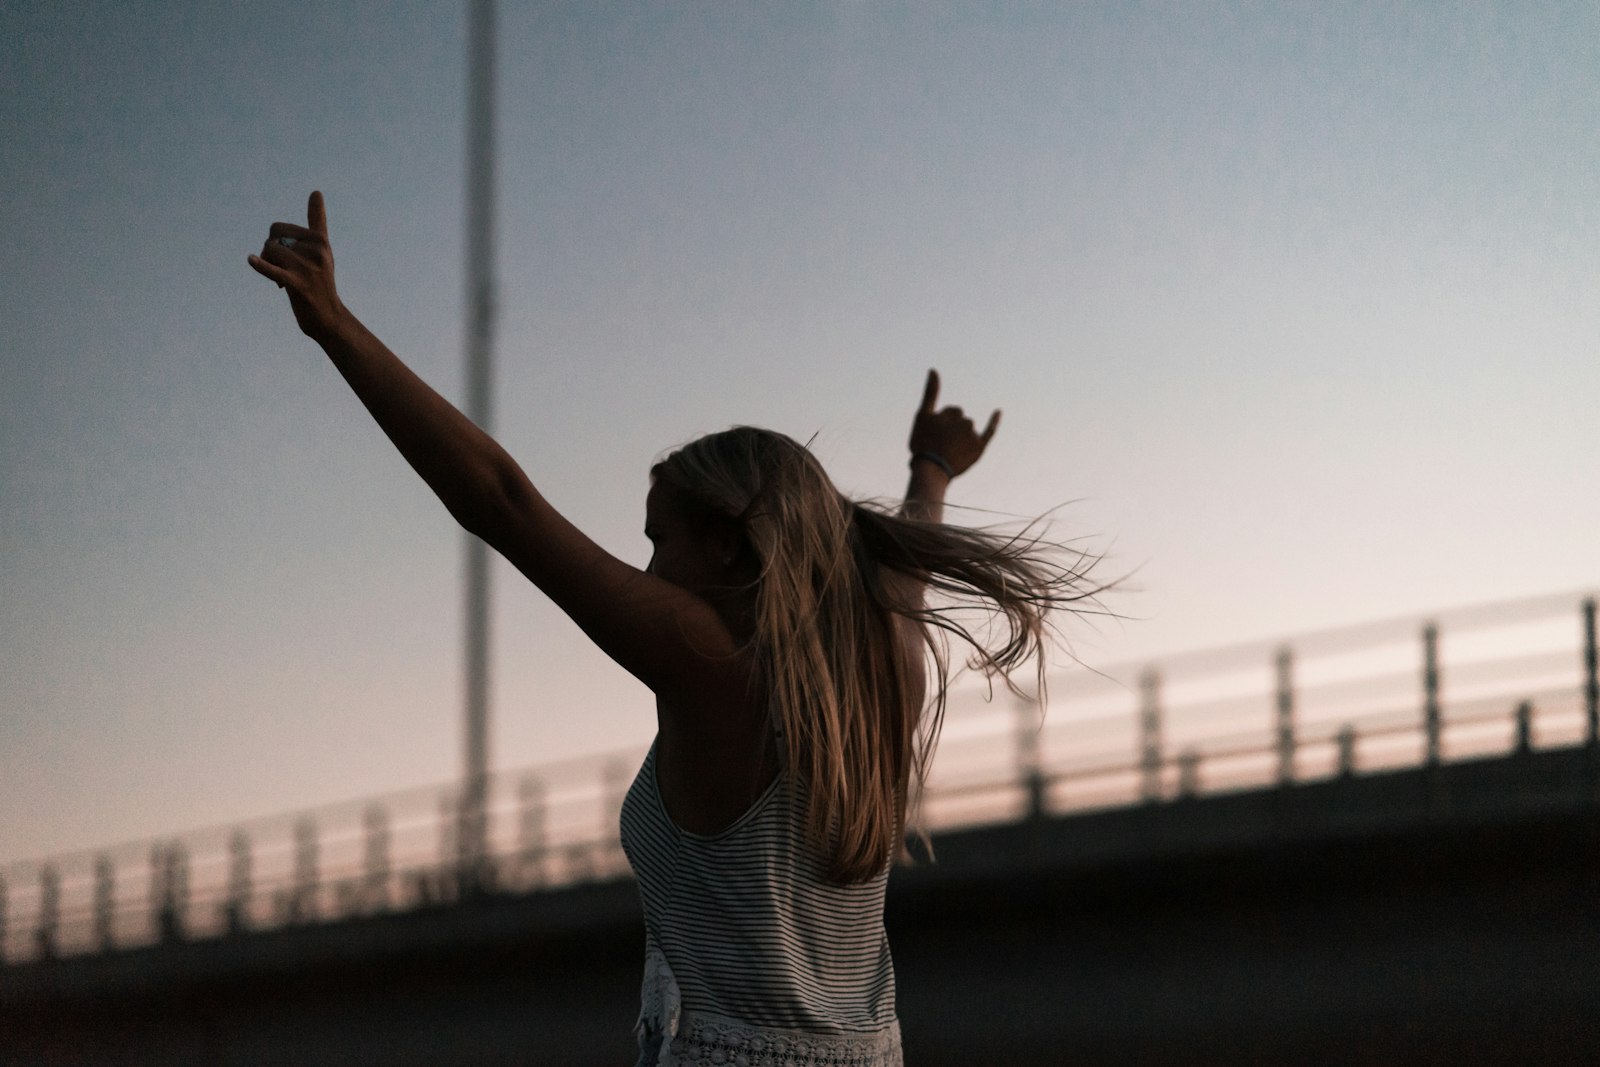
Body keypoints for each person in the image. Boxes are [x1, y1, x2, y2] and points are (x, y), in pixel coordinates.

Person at [250, 192, 1100, 1067]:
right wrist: (931, 469)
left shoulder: (715, 667)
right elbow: (907, 576)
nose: (648, 572)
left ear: (734, 545)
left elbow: (502, 502)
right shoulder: (888, 670)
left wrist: (336, 329)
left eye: (661, 540)